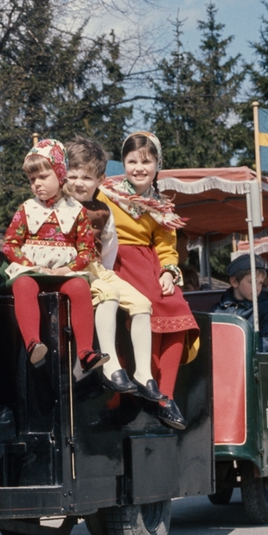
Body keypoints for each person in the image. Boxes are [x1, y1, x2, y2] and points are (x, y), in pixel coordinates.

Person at [96, 131, 199, 431]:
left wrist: (168, 271)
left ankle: (165, 395)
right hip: (116, 259)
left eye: (146, 161)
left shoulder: (162, 207)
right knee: (150, 306)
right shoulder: (107, 193)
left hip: (147, 263)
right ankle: (144, 379)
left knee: (178, 307)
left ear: (157, 164)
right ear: (123, 163)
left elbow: (166, 246)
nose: (138, 168)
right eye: (131, 161)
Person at [0, 139, 104, 380]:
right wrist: (28, 265)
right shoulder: (27, 208)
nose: (37, 185)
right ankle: (34, 343)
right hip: (33, 270)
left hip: (62, 273)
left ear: (60, 174)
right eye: (32, 180)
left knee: (80, 287)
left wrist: (68, 270)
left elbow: (86, 250)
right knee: (23, 285)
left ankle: (85, 351)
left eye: (43, 177)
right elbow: (10, 243)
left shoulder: (76, 211)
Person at [63, 137, 159, 400]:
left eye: (86, 178)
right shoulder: (59, 205)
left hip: (96, 266)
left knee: (141, 303)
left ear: (101, 180)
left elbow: (109, 247)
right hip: (70, 266)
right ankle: (110, 366)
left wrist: (104, 271)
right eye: (72, 176)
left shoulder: (103, 211)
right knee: (108, 294)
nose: (78, 184)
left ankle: (143, 373)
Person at [215, 254, 268, 353]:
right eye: (252, 282)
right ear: (234, 282)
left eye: (260, 283)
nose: (257, 288)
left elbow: (267, 340)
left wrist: (246, 353)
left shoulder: (267, 308)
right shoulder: (219, 309)